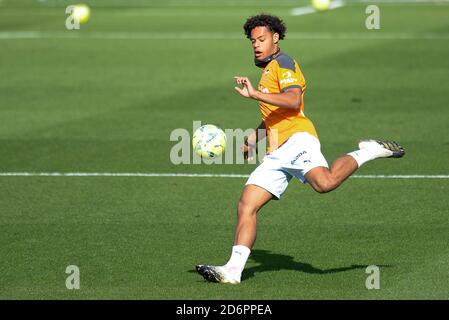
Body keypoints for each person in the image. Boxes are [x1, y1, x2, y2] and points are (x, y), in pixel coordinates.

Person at [196, 14, 404, 284]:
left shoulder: (284, 63)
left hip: (297, 139)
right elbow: (275, 111)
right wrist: (255, 137)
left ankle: (368, 151)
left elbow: (293, 101)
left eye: (261, 39)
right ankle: (233, 271)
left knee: (325, 183)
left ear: (275, 38)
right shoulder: (269, 69)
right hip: (276, 151)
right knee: (246, 205)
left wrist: (255, 94)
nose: (256, 45)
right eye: (252, 41)